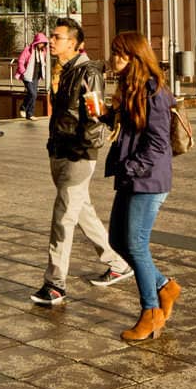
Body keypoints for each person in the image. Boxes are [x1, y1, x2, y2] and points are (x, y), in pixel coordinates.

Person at [32, 17, 132, 307]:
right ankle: (117, 263)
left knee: (63, 218)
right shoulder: (65, 71)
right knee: (82, 210)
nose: (52, 41)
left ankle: (55, 285)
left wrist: (82, 148)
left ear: (75, 44)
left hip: (77, 154)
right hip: (61, 150)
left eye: (58, 37)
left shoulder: (87, 73)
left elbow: (96, 114)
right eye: (52, 36)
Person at [102, 31, 180, 342]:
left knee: (134, 244)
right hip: (131, 175)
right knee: (117, 240)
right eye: (113, 53)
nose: (114, 59)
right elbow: (131, 132)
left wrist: (130, 168)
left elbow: (158, 144)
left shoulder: (154, 92)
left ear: (136, 57)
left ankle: (151, 312)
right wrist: (107, 116)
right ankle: (164, 285)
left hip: (148, 179)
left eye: (121, 54)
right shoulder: (130, 87)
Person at [16, 31, 51, 120]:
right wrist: (23, 72)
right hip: (27, 75)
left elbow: (42, 63)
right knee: (33, 94)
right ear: (37, 42)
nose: (42, 44)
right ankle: (23, 107)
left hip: (36, 76)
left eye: (43, 43)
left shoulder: (43, 51)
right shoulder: (28, 50)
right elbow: (20, 61)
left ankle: (30, 114)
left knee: (32, 94)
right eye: (41, 43)